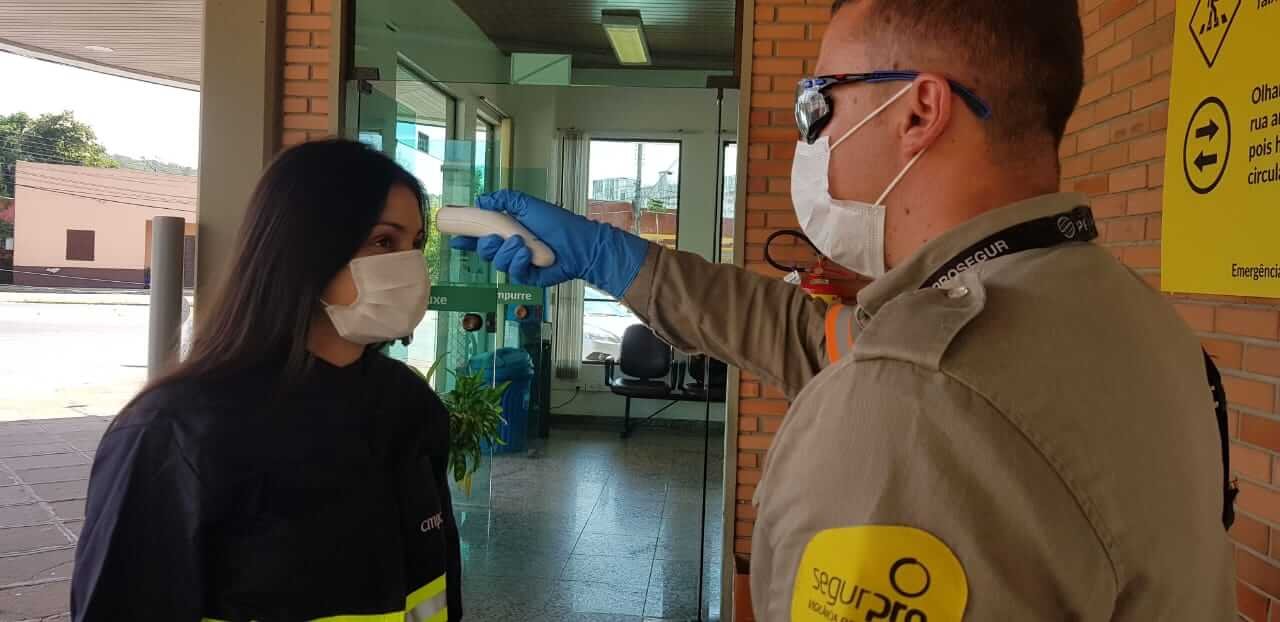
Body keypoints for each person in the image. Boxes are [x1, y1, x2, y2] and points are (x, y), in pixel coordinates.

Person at [452, 0, 1236, 619]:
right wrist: (607, 257)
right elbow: (812, 337)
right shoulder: (1124, 315)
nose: (808, 136)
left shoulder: (919, 398)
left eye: (817, 104)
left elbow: (887, 371)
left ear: (919, 112)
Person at [71, 139, 462, 621]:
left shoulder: (408, 404)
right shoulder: (177, 429)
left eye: (415, 244)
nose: (410, 266)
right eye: (383, 242)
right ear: (305, 247)